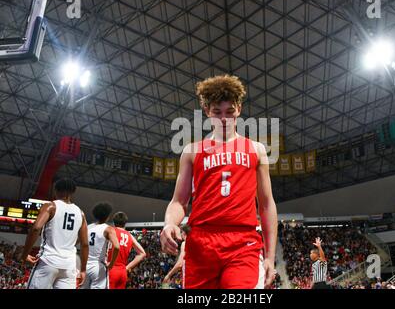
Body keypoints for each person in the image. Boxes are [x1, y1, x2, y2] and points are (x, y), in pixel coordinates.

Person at [160, 75, 278, 289]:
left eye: (230, 112)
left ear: (239, 109)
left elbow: (267, 204)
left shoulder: (256, 150)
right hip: (201, 244)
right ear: (207, 111)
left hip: (243, 242)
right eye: (217, 112)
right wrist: (169, 223)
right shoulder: (191, 151)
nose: (224, 119)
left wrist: (270, 257)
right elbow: (178, 201)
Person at [21, 178, 88, 289]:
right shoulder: (80, 213)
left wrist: (24, 255)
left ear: (55, 190)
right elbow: (85, 243)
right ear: (72, 192)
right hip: (69, 266)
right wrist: (83, 270)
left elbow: (36, 228)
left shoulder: (51, 206)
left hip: (48, 261)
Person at [81, 202, 120, 289]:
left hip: (85, 265)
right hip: (98, 266)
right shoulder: (108, 229)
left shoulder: (88, 227)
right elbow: (117, 247)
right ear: (108, 216)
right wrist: (112, 264)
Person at [108, 212, 146, 289]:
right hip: (122, 271)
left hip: (111, 269)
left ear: (114, 222)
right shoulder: (129, 235)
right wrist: (127, 267)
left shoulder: (111, 232)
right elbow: (143, 253)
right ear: (125, 223)